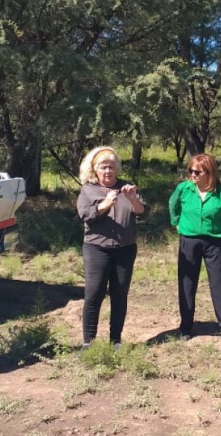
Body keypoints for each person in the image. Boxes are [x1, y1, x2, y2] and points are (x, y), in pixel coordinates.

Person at [168, 154, 221, 344]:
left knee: (220, 284)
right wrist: (176, 223)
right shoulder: (184, 189)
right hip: (189, 241)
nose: (193, 175)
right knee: (187, 284)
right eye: (190, 171)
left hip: (215, 242)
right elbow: (172, 205)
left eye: (197, 172)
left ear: (209, 173)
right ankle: (186, 326)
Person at [77, 146, 145, 349]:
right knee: (94, 293)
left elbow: (142, 212)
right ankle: (89, 341)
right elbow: (86, 215)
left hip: (125, 249)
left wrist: (132, 197)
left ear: (117, 169)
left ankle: (116, 339)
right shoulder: (88, 190)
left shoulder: (127, 188)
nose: (108, 171)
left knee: (120, 293)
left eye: (111, 167)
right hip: (97, 249)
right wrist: (105, 204)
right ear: (95, 170)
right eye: (103, 167)